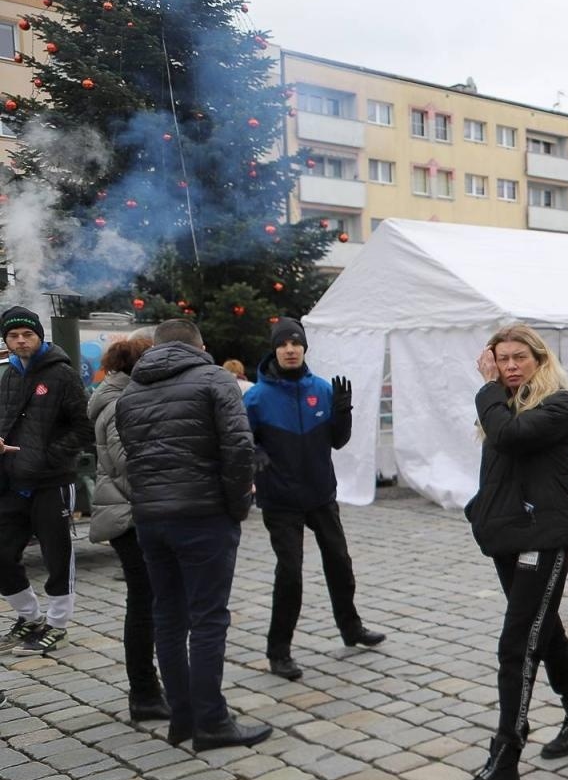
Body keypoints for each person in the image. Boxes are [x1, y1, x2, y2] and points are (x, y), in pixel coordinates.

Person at [455, 324, 568, 780]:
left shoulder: (557, 405)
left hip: (543, 539)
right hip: (508, 536)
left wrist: (488, 387)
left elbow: (510, 437)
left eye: (519, 357)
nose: (511, 366)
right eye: (503, 358)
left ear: (539, 359)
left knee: (517, 645)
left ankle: (506, 757)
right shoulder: (504, 403)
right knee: (544, 629)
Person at [116, 317, 266, 750]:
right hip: (203, 515)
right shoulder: (215, 379)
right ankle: (211, 721)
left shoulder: (131, 391)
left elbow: (129, 457)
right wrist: (237, 506)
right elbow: (238, 448)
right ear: (200, 346)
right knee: (207, 619)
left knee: (168, 616)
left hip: (151, 519)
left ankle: (182, 716)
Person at [243, 319, 383, 681]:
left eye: (296, 343)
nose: (290, 349)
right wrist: (255, 451)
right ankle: (279, 651)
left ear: (305, 348)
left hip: (320, 494)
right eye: (283, 344)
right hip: (280, 499)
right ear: (274, 350)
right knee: (290, 573)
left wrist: (343, 414)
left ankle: (351, 627)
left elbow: (338, 440)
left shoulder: (321, 389)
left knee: (340, 561)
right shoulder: (256, 397)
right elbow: (240, 437)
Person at [0, 305, 93, 657]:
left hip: (52, 478)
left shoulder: (62, 374)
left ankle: (56, 625)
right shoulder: (9, 374)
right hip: (13, 479)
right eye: (13, 336)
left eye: (28, 334)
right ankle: (29, 616)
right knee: (2, 553)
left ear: (39, 336)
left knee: (57, 555)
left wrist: (48, 455)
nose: (21, 341)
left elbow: (83, 428)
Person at [88, 336, 166, 721]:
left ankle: (148, 689)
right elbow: (128, 463)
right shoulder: (120, 403)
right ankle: (144, 692)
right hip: (128, 515)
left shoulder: (121, 395)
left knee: (147, 600)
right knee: (143, 602)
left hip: (129, 511)